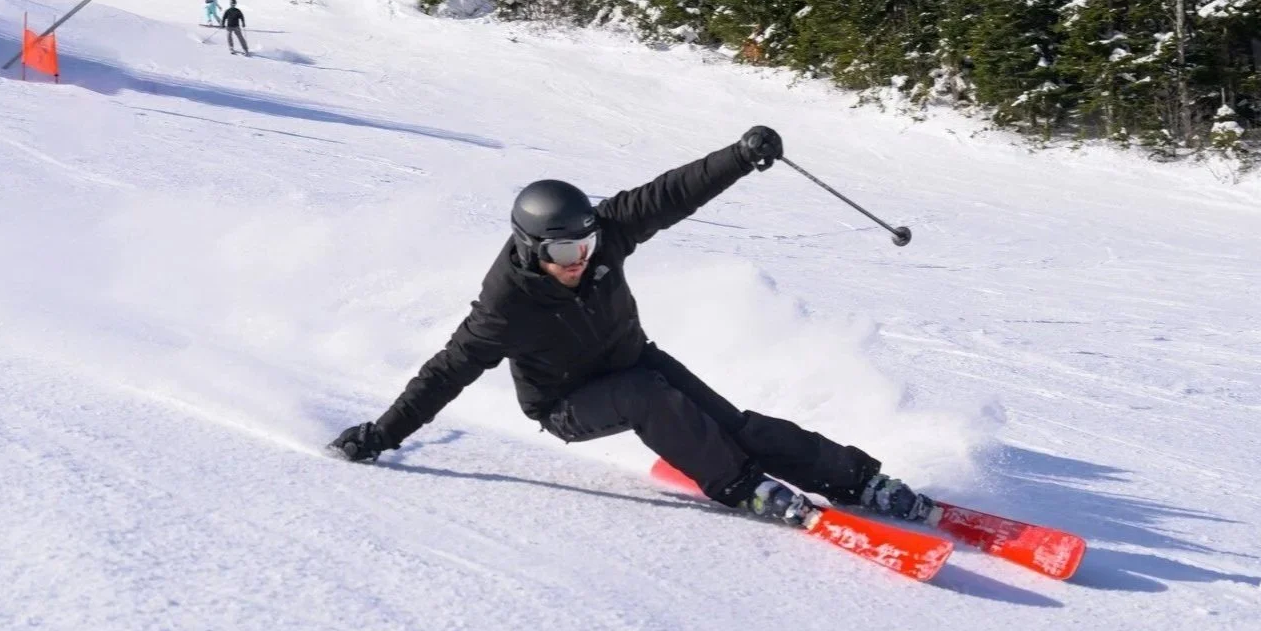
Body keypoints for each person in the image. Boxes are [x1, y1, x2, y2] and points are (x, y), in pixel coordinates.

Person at [328, 128, 933, 530]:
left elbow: (668, 194)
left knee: (735, 424)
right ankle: (741, 485)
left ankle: (857, 480)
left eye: (587, 242)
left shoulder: (603, 239)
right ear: (531, 247)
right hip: (566, 404)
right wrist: (381, 435)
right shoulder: (504, 308)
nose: (581, 259)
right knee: (653, 400)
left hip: (632, 361)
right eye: (564, 249)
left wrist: (740, 157)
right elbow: (444, 374)